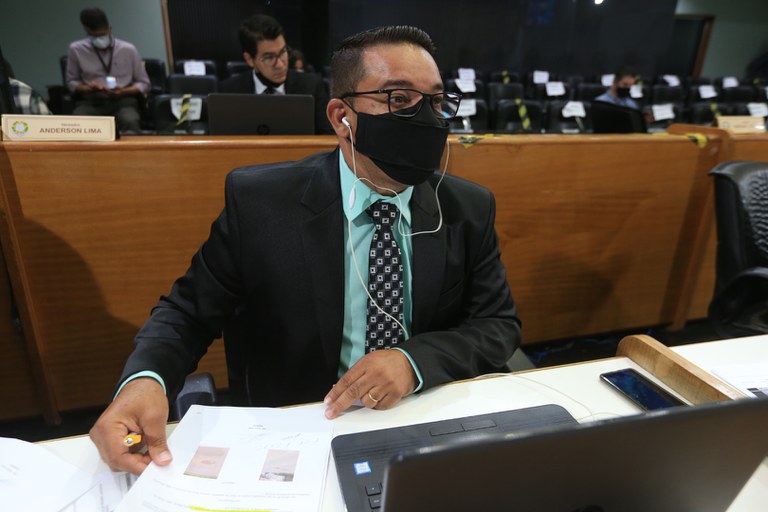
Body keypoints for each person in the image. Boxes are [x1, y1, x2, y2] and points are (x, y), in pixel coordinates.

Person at [90, 25, 521, 475]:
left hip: (422, 421)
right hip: (296, 431)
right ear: (341, 117)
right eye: (399, 98)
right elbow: (187, 312)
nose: (427, 118)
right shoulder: (261, 204)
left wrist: (414, 361)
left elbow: (497, 324)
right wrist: (146, 379)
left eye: (436, 101)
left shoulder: (467, 207)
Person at [219, 14, 331, 134]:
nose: (280, 65)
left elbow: (327, 138)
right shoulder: (228, 91)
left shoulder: (312, 86)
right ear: (250, 59)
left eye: (283, 52)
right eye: (269, 57)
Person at [65, 7, 150, 133]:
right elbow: (72, 82)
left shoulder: (128, 49)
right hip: (91, 101)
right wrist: (88, 87)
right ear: (87, 31)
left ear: (110, 29)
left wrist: (123, 91)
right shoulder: (76, 50)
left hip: (123, 101)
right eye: (95, 36)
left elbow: (144, 83)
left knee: (130, 120)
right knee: (78, 122)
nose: (100, 39)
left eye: (103, 35)